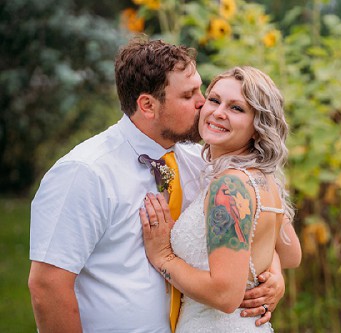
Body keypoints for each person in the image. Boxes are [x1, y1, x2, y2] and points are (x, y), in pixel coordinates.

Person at [28, 38, 285, 333]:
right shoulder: (85, 172)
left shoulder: (200, 162)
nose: (204, 102)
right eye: (189, 95)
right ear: (148, 105)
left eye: (200, 89)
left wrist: (272, 276)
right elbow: (47, 286)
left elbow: (254, 230)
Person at [139, 66, 302, 332]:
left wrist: (163, 258)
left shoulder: (229, 187)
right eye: (214, 100)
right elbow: (291, 254)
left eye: (236, 108)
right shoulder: (263, 179)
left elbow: (225, 297)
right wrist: (271, 271)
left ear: (258, 126)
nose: (218, 112)